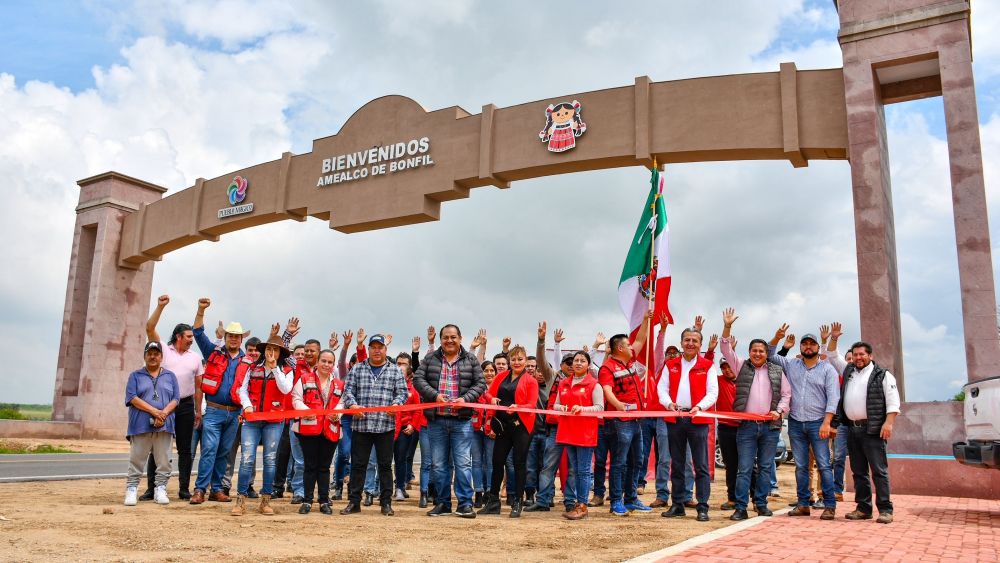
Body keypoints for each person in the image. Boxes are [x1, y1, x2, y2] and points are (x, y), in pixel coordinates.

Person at [720, 308, 791, 521]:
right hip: (747, 427)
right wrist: (727, 326)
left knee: (767, 467)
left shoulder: (777, 371)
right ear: (749, 352)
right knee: (744, 468)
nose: (758, 354)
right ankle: (740, 507)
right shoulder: (740, 366)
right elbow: (725, 349)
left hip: (770, 427)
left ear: (766, 353)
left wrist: (779, 411)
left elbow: (787, 395)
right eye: (754, 351)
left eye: (761, 351)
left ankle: (761, 504)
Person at [412, 324, 487, 518]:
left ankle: (465, 504)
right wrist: (434, 396)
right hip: (437, 420)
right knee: (438, 465)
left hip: (461, 421)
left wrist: (466, 399)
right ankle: (442, 503)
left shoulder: (470, 359)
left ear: (460, 338)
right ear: (440, 340)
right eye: (445, 337)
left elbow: (480, 384)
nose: (449, 340)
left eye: (453, 337)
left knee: (463, 464)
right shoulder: (431, 358)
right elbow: (418, 380)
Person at [768, 324, 841, 520]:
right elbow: (769, 355)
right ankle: (803, 504)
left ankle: (829, 505)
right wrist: (777, 338)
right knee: (800, 466)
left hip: (818, 423)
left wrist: (827, 423)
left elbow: (833, 398)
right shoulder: (792, 365)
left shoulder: (828, 370)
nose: (808, 347)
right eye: (805, 344)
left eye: (812, 344)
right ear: (800, 347)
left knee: (824, 464)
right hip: (796, 422)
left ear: (818, 347)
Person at [828, 336, 900, 524]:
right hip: (852, 429)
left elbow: (893, 402)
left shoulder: (882, 375)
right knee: (858, 472)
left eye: (862, 354)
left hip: (874, 429)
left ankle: (885, 509)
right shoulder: (850, 371)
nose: (858, 358)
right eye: (855, 355)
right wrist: (833, 338)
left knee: (879, 471)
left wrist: (888, 423)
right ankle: (863, 508)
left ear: (870, 355)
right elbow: (833, 356)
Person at [140, 295, 202, 501]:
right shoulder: (164, 351)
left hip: (185, 405)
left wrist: (197, 410)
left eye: (192, 337)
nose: (191, 340)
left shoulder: (195, 357)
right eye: (188, 337)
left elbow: (198, 386)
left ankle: (184, 488)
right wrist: (160, 307)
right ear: (178, 337)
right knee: (157, 448)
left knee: (186, 450)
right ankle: (152, 488)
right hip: (163, 406)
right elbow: (149, 327)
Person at [340, 334, 409, 516]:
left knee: (385, 465)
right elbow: (348, 391)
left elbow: (403, 393)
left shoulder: (394, 371)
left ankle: (385, 503)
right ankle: (354, 502)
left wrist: (396, 404)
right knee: (358, 465)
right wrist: (353, 405)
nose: (377, 350)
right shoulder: (357, 369)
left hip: (385, 425)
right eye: (373, 347)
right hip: (361, 425)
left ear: (386, 350)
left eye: (380, 347)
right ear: (368, 349)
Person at [190, 299, 250, 504]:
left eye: (236, 336)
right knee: (209, 449)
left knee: (224, 452)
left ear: (241, 339)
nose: (233, 339)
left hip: (234, 413)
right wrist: (201, 310)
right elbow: (197, 332)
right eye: (230, 336)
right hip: (214, 411)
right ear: (225, 337)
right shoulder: (213, 353)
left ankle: (216, 489)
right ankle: (200, 489)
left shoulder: (248, 361)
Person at [658, 326, 719, 522]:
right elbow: (662, 389)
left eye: (695, 340)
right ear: (682, 342)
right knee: (676, 464)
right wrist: (669, 404)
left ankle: (702, 506)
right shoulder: (671, 364)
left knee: (700, 465)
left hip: (698, 419)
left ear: (700, 344)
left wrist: (699, 407)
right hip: (675, 418)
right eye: (687, 340)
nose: (690, 344)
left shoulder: (708, 365)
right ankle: (677, 504)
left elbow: (712, 393)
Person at [231, 334, 295, 516]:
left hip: (274, 422)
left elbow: (285, 389)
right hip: (252, 420)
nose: (271, 353)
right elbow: (241, 390)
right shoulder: (252, 368)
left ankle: (265, 500)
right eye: (268, 349)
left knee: (270, 459)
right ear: (263, 351)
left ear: (280, 353)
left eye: (275, 350)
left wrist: (275, 369)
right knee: (247, 459)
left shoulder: (287, 371)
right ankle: (240, 500)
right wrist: (247, 405)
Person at [599, 312, 653, 517]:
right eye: (628, 345)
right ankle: (616, 502)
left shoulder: (629, 361)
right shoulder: (607, 367)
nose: (633, 347)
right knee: (619, 462)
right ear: (620, 348)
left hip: (636, 421)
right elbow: (606, 390)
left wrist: (647, 319)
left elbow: (640, 339)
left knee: (636, 461)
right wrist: (618, 405)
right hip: (620, 422)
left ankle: (631, 499)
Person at [478, 344, 539, 518]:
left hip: (521, 426)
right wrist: (493, 399)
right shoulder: (501, 376)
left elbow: (532, 405)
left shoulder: (531, 381)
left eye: (520, 359)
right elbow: (487, 394)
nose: (517, 362)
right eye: (513, 359)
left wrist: (518, 407)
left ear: (526, 360)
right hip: (502, 425)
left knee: (519, 463)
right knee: (497, 462)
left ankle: (517, 501)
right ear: (509, 361)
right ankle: (493, 502)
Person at [124, 341, 179, 506]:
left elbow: (176, 398)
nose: (153, 356)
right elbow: (132, 398)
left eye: (156, 354)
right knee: (137, 459)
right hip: (140, 425)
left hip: (164, 425)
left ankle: (160, 488)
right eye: (150, 353)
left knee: (164, 460)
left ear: (161, 357)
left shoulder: (170, 376)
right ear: (145, 356)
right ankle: (132, 489)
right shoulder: (135, 376)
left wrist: (163, 414)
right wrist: (155, 412)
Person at [553, 351, 604, 520]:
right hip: (568, 431)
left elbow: (600, 407)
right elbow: (556, 405)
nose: (578, 363)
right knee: (574, 470)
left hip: (585, 434)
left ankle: (582, 505)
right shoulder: (564, 383)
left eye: (583, 360)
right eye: (576, 360)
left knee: (583, 471)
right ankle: (577, 503)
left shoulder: (594, 384)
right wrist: (563, 408)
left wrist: (583, 409)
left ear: (588, 365)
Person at [292, 348, 344, 515]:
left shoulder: (339, 384)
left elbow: (342, 402)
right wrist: (305, 410)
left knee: (324, 467)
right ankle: (307, 501)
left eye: (330, 362)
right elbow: (296, 398)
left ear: (333, 364)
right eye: (324, 361)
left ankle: (323, 501)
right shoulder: (305, 379)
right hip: (308, 429)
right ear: (318, 361)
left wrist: (338, 413)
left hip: (330, 429)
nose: (326, 365)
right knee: (310, 466)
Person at [523, 322, 559, 512]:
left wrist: (544, 342)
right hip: (530, 432)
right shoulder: (527, 385)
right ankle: (530, 495)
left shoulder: (552, 386)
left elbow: (544, 362)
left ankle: (548, 496)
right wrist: (541, 340)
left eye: (541, 370)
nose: (537, 372)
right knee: (530, 467)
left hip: (548, 433)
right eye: (534, 370)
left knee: (546, 466)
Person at [393, 352, 425, 501]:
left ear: (408, 375)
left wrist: (412, 424)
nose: (399, 373)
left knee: (401, 458)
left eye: (402, 372)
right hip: (387, 428)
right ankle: (384, 488)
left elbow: (418, 409)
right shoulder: (388, 388)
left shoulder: (413, 390)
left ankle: (400, 487)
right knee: (385, 460)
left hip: (405, 429)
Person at [470, 360, 497, 508]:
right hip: (475, 430)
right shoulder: (476, 387)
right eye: (486, 370)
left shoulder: (499, 387)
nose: (489, 373)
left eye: (492, 370)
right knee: (476, 462)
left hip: (491, 431)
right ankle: (478, 492)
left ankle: (489, 492)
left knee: (490, 463)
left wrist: (494, 428)